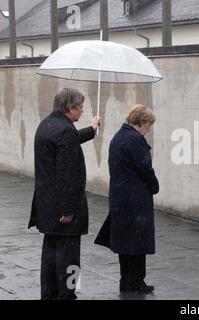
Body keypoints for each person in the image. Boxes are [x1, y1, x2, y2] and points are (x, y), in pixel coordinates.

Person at [28, 88, 101, 300]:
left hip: (46, 206)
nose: (82, 110)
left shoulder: (47, 125)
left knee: (50, 255)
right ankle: (68, 294)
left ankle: (49, 294)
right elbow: (68, 175)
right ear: (71, 108)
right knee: (70, 258)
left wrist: (92, 129)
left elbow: (67, 141)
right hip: (64, 209)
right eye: (80, 107)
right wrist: (68, 210)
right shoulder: (65, 131)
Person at [95, 104, 159, 294]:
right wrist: (155, 186)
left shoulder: (119, 136)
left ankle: (129, 281)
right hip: (135, 200)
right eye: (149, 125)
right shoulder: (134, 140)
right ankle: (134, 283)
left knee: (126, 244)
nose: (149, 129)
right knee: (137, 244)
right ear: (141, 122)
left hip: (121, 198)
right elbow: (145, 168)